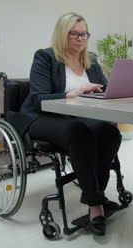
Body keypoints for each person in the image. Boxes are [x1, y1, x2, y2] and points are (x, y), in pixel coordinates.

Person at [18, 12, 121, 236]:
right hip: (41, 117)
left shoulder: (90, 61)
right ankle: (96, 204)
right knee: (79, 132)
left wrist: (117, 92)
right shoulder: (45, 57)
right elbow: (38, 98)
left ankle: (95, 193)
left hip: (76, 118)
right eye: (73, 33)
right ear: (61, 35)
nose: (79, 38)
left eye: (83, 33)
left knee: (110, 132)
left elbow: (104, 90)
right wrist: (72, 93)